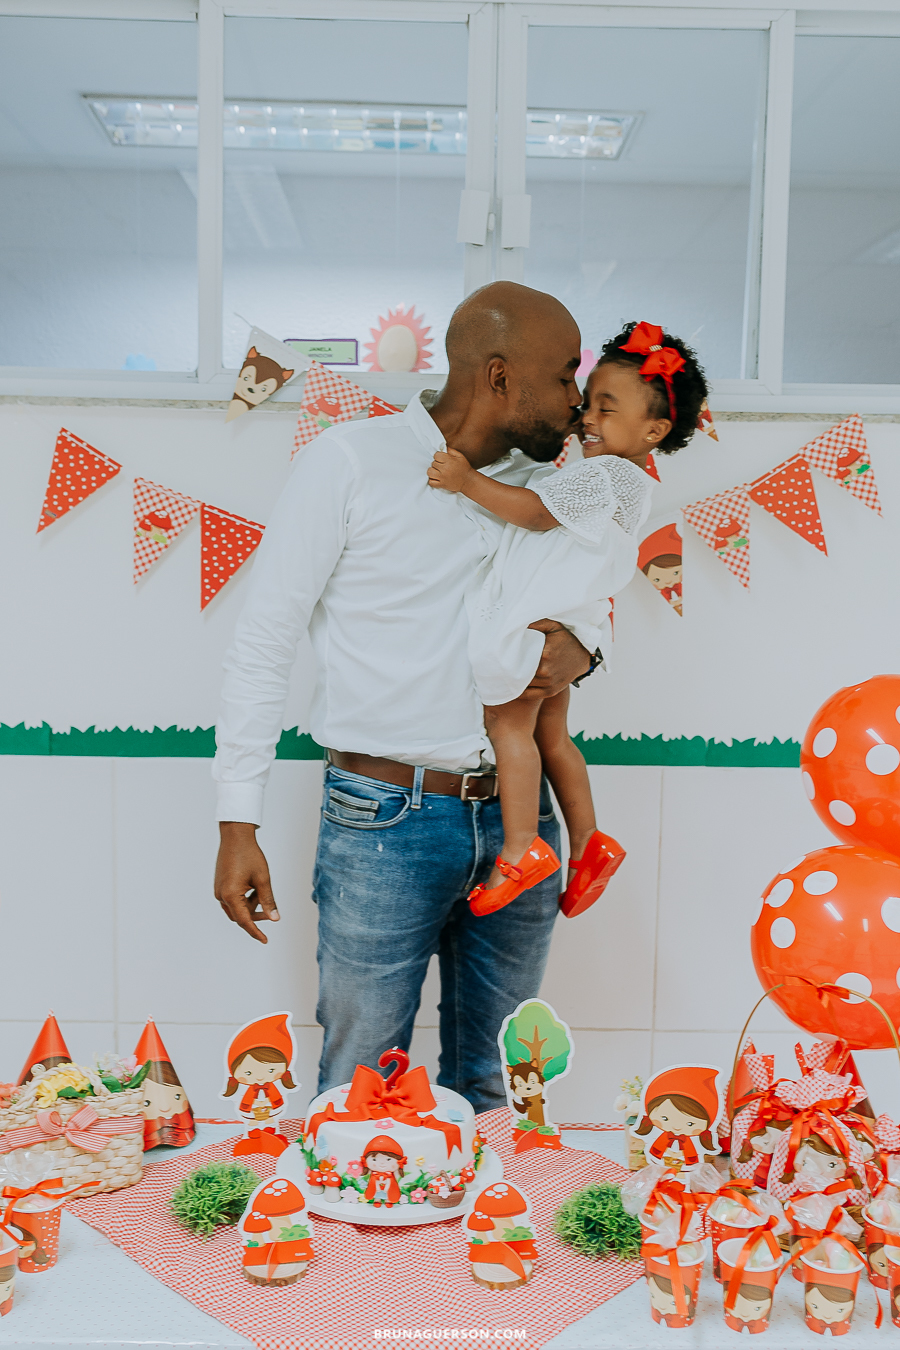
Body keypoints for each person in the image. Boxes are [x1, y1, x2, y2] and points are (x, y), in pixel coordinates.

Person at [212, 281, 593, 1109]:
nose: (579, 400)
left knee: (502, 1084)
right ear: (499, 377)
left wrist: (584, 651)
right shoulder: (349, 462)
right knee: (359, 1085)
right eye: (564, 376)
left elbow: (601, 593)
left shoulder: (556, 495)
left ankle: (491, 1238)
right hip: (382, 820)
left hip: (520, 825)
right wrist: (236, 821)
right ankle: (349, 1241)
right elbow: (262, 640)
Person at [427, 321, 708, 915]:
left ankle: (522, 848)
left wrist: (466, 481)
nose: (587, 417)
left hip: (538, 621)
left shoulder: (608, 476)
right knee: (550, 736)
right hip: (568, 620)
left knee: (507, 725)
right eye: (587, 402)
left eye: (607, 410)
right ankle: (588, 844)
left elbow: (533, 514)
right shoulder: (608, 479)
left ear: (653, 430)